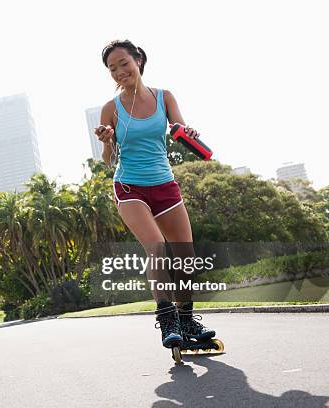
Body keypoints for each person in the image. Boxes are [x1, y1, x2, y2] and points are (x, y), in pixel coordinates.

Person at [95, 39, 215, 349]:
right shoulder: (111, 109)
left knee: (186, 257)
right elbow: (108, 161)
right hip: (130, 187)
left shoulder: (164, 97)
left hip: (164, 185)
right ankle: (167, 321)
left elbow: (180, 129)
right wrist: (108, 142)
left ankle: (187, 318)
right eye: (112, 69)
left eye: (124, 63)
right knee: (158, 248)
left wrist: (188, 133)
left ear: (138, 60)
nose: (120, 71)